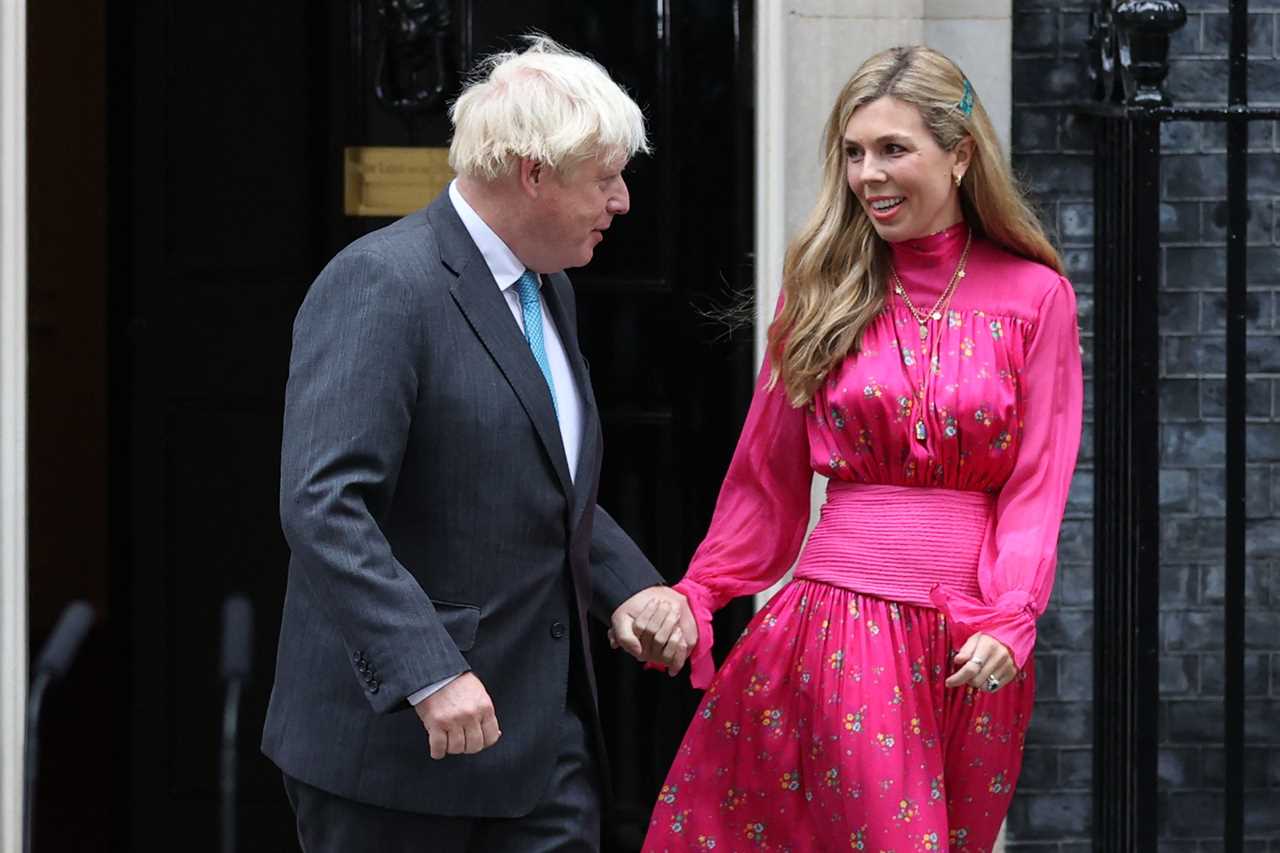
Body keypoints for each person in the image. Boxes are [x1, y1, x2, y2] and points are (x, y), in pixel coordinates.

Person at [641, 45, 1082, 852]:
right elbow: (764, 477)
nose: (867, 174)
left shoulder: (1036, 297)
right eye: (853, 152)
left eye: (892, 149)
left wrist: (1011, 616)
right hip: (844, 628)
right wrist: (703, 588)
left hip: (975, 646)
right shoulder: (821, 288)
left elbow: (1038, 483)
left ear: (960, 155)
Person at [261, 35, 696, 853]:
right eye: (604, 177)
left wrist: (629, 586)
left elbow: (542, 476)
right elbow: (324, 505)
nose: (623, 201)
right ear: (533, 172)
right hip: (395, 753)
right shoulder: (382, 283)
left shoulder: (551, 286)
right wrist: (427, 668)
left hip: (541, 744)